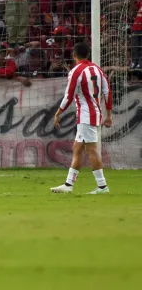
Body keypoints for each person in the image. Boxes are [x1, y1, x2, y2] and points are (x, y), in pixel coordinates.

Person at [51, 42, 113, 195]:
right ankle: (68, 184)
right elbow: (107, 91)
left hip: (86, 116)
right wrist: (109, 115)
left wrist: (58, 113)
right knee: (77, 148)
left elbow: (69, 96)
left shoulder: (76, 71)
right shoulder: (97, 69)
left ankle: (102, 186)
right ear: (88, 55)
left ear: (74, 55)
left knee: (91, 150)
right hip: (93, 114)